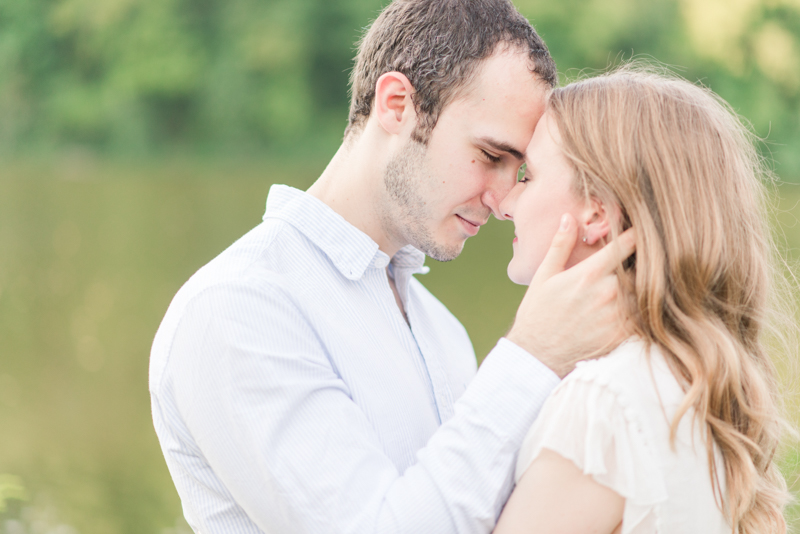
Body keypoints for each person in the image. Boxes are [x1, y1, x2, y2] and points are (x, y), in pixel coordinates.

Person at [149, 0, 634, 533]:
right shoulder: (239, 308)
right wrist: (533, 354)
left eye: (519, 171)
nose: (501, 200)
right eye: (490, 156)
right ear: (397, 104)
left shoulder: (440, 329)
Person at [493, 67, 793, 534]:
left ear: (595, 213)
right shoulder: (692, 390)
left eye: (528, 175)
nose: (505, 201)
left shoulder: (603, 406)